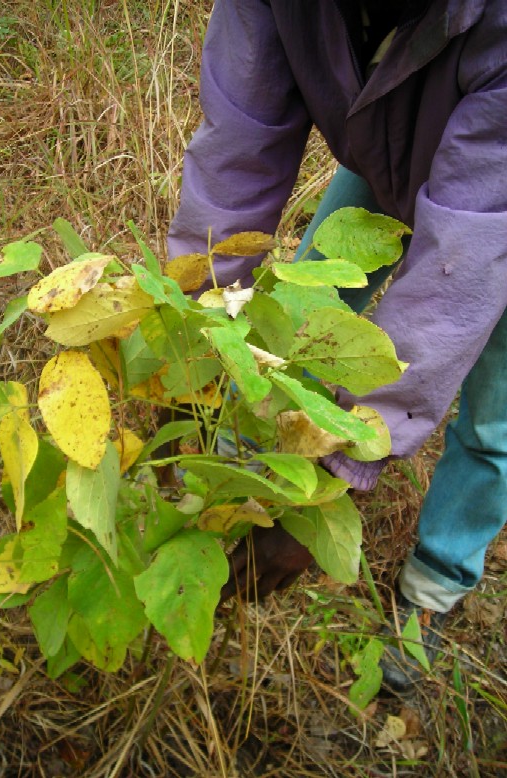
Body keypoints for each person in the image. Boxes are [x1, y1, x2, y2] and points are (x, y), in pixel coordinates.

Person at [167, 0, 507, 692]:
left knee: (491, 419)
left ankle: (428, 593)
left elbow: (456, 276)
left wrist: (332, 489)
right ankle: (236, 482)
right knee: (306, 318)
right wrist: (189, 354)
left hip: (494, 188)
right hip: (399, 145)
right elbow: (238, 154)